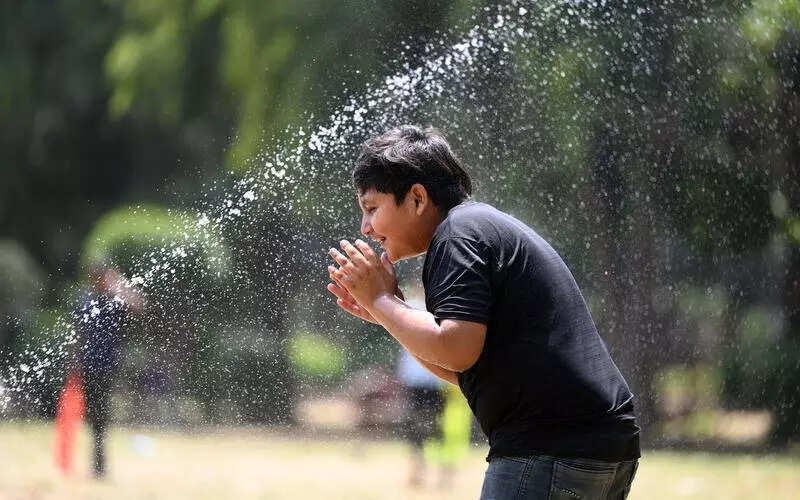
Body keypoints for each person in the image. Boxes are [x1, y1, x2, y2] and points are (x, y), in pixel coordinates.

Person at [326, 125, 640, 499]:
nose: (366, 228)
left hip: (551, 445)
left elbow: (456, 348)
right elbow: (468, 371)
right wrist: (388, 314)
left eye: (371, 209)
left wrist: (381, 301)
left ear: (417, 198)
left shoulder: (456, 236)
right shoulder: (474, 228)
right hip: (600, 440)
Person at [73, 263, 141, 478]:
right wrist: (74, 365)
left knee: (101, 417)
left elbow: (138, 305)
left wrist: (119, 284)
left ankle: (100, 466)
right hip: (87, 367)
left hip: (107, 368)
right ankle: (97, 464)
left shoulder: (115, 300)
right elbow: (77, 334)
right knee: (93, 416)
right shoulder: (86, 301)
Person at [397, 347, 445, 488]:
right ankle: (418, 470)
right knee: (416, 431)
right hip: (418, 387)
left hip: (431, 387)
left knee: (432, 430)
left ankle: (435, 472)